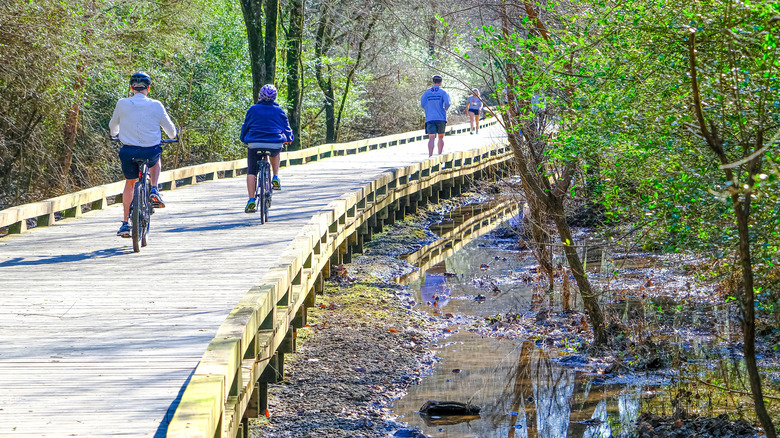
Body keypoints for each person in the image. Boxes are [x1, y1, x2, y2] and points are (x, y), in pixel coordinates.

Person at [109, 72, 177, 238]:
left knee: (130, 183)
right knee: (155, 157)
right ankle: (154, 189)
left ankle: (125, 223)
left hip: (128, 151)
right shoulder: (156, 105)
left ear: (131, 88)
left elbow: (113, 126)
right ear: (148, 88)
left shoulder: (122, 103)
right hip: (150, 151)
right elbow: (171, 131)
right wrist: (172, 136)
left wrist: (115, 135)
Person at [240, 84, 294, 213]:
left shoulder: (252, 109)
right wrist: (289, 138)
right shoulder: (279, 111)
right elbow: (286, 128)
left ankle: (251, 199)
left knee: (252, 170)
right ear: (274, 97)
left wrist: (243, 138)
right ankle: (275, 176)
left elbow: (246, 126)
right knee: (275, 152)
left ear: (260, 95)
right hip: (274, 143)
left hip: (254, 143)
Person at [420, 74, 451, 157]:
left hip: (430, 117)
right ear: (441, 82)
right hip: (441, 117)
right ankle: (439, 155)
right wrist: (445, 109)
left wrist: (428, 108)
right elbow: (447, 103)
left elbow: (422, 103)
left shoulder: (427, 93)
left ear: (433, 82)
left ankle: (430, 155)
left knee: (431, 138)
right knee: (440, 137)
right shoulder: (444, 92)